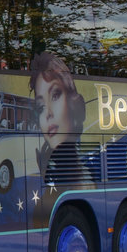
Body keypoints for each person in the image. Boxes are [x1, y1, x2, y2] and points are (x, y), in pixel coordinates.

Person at [29, 51, 89, 182]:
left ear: (74, 104)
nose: (48, 114)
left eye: (55, 95)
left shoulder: (86, 182)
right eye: (41, 107)